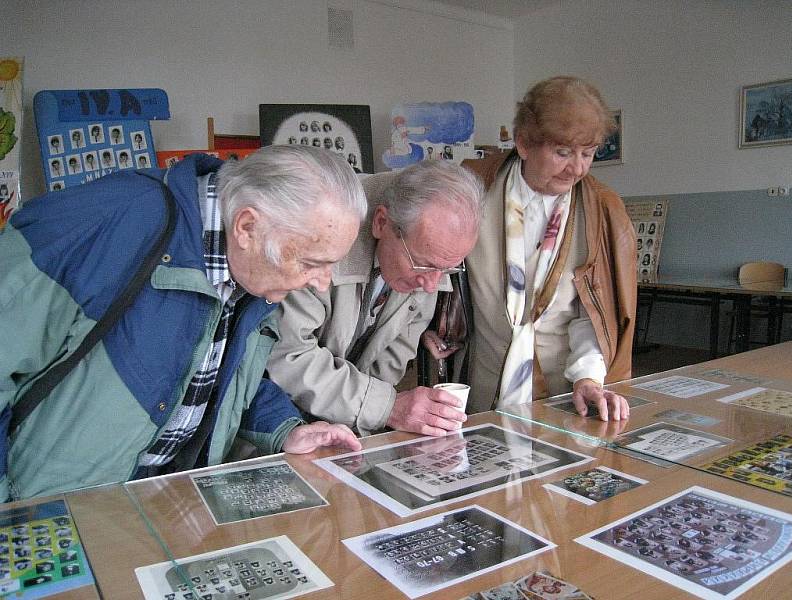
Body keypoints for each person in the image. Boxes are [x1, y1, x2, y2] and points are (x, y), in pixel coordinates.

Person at [0, 146, 367, 501]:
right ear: (246, 226)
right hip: (48, 510)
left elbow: (222, 378)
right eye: (311, 262)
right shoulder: (100, 220)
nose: (323, 282)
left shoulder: (254, 270)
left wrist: (286, 430)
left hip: (149, 507)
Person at [450, 76, 636, 422]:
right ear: (523, 143)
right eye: (562, 152)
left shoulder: (602, 209)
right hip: (483, 386)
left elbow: (592, 314)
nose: (577, 168)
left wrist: (589, 377)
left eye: (588, 152)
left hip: (565, 393)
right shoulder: (474, 186)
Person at [267, 160, 484, 436]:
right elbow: (289, 356)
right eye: (424, 266)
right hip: (273, 426)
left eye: (446, 270)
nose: (431, 286)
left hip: (335, 432)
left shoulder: (429, 254)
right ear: (382, 222)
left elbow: (388, 365)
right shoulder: (320, 233)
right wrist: (388, 407)